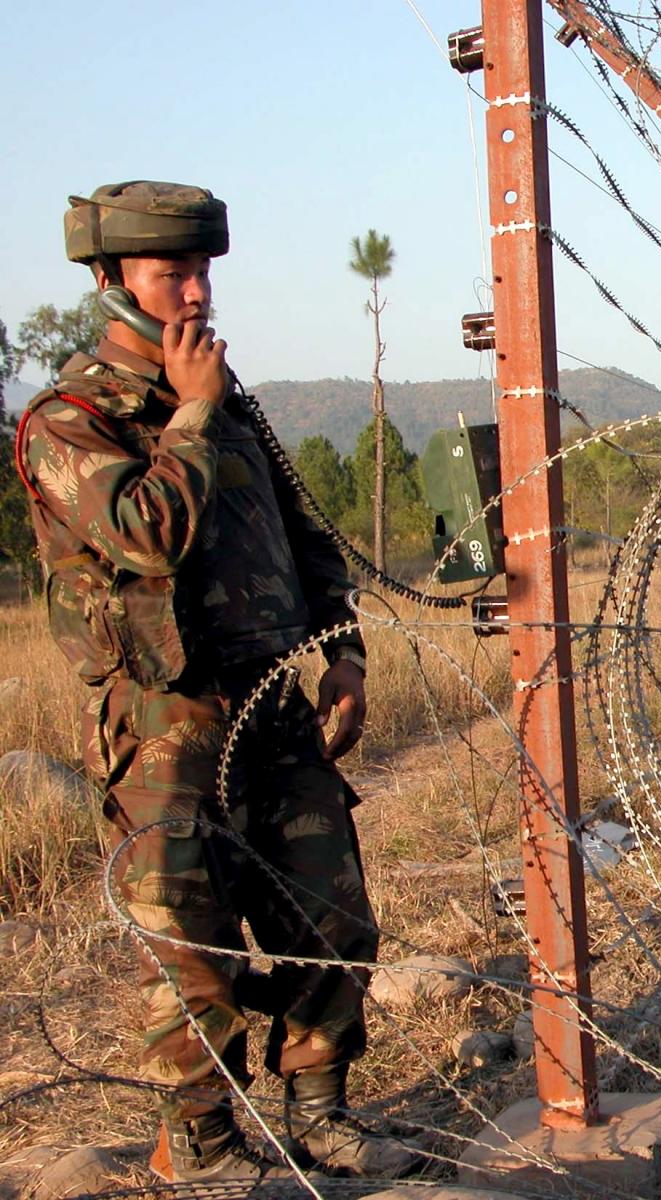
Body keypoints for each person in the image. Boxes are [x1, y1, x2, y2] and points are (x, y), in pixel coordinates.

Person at [13, 181, 417, 1183]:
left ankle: (320, 1112)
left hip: (278, 715)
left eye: (202, 272)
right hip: (165, 728)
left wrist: (346, 655)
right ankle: (199, 1146)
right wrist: (190, 411)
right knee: (195, 958)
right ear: (111, 282)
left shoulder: (234, 411)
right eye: (170, 274)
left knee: (331, 919)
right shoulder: (68, 424)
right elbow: (146, 537)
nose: (195, 293)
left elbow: (309, 543)